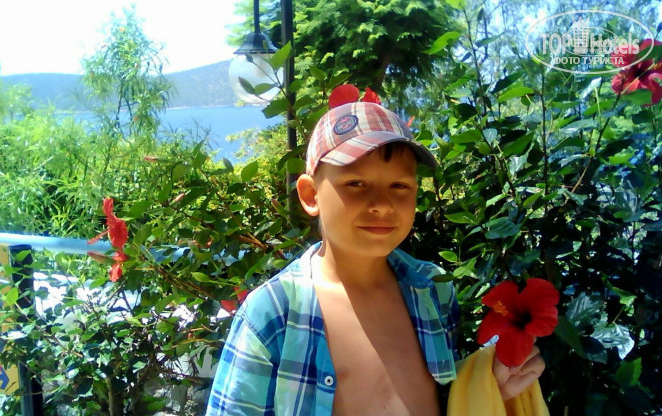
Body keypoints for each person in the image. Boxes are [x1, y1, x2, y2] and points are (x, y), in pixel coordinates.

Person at [206, 101, 546, 415]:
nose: (382, 204)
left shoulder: (434, 291)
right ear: (310, 195)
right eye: (356, 183)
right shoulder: (274, 312)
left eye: (399, 186)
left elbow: (443, 398)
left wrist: (490, 384)